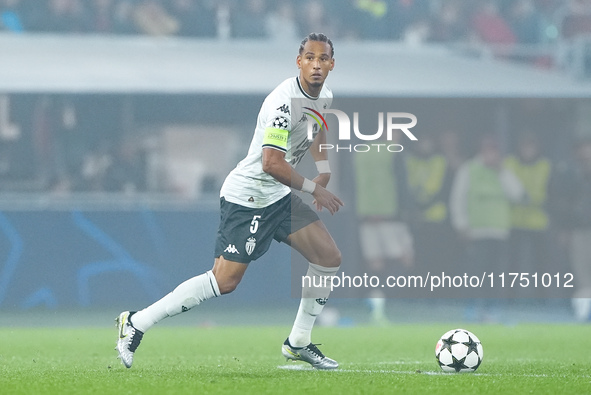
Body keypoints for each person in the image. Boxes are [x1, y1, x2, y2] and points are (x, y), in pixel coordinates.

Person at [116, 33, 343, 370]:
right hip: (249, 196)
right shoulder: (283, 103)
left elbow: (318, 125)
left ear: (331, 65)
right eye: (309, 57)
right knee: (224, 281)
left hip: (278, 196)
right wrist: (314, 188)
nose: (316, 65)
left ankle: (298, 342)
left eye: (322, 59)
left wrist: (323, 167)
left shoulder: (323, 95)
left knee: (328, 257)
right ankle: (136, 322)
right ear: (299, 61)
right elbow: (271, 163)